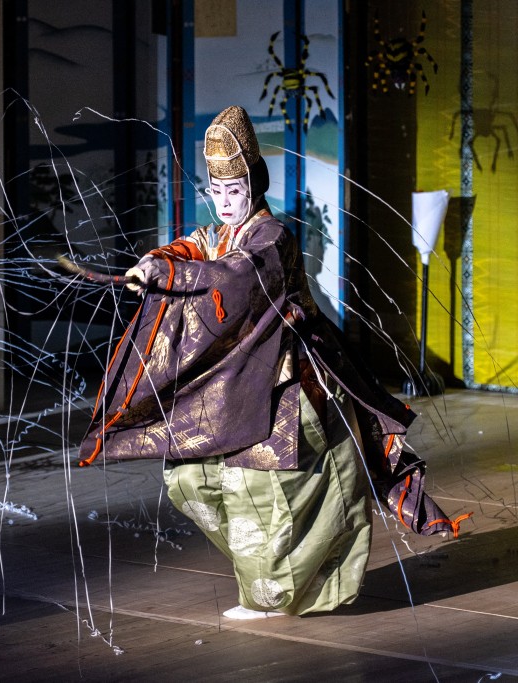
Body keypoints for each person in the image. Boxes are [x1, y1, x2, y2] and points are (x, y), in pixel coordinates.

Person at [77, 106, 469, 619]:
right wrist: (154, 263)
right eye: (216, 192)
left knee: (273, 490)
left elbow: (235, 279)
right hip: (238, 385)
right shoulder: (215, 235)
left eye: (233, 191)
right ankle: (270, 585)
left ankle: (278, 595)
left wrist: (171, 278)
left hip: (292, 386)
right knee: (192, 479)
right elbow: (191, 251)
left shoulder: (271, 237)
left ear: (253, 186)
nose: (223, 202)